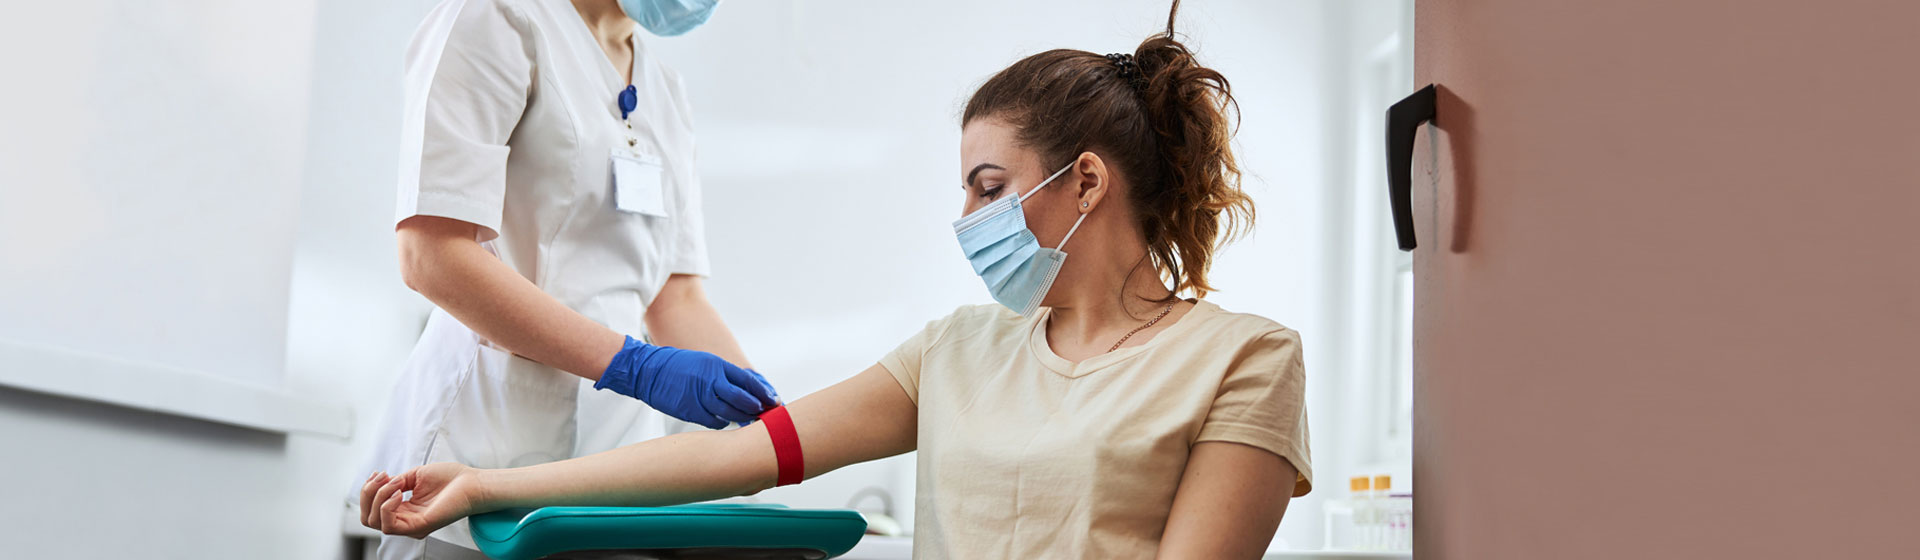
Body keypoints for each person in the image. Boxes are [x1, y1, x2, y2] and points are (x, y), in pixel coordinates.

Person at [364, 2, 1311, 557]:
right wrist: (489, 481)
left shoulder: (1244, 360)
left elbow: (677, 293)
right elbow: (746, 451)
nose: (970, 222)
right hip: (494, 415)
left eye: (990, 188)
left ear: (1088, 182)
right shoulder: (959, 349)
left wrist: (707, 383)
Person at [358, 0, 780, 557]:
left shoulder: (667, 92)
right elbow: (431, 253)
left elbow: (675, 295)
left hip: (615, 471)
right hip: (480, 445)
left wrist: (774, 427)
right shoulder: (499, 18)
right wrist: (635, 365)